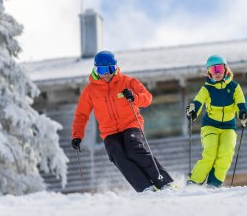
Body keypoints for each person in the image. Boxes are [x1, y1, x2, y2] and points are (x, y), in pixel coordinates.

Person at [71, 50, 176, 192]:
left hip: (130, 124)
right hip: (109, 131)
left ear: (115, 68)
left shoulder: (127, 82)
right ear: (96, 70)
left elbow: (147, 98)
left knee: (134, 149)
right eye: (102, 70)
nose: (106, 74)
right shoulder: (90, 91)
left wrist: (134, 97)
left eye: (110, 69)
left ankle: (165, 182)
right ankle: (145, 187)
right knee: (117, 155)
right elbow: (81, 114)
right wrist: (77, 135)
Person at [185, 54, 247, 187]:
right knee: (210, 152)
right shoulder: (207, 88)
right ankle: (194, 181)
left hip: (228, 127)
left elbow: (241, 104)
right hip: (210, 126)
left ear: (225, 69)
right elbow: (198, 102)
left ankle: (214, 183)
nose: (217, 73)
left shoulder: (234, 87)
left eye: (219, 68)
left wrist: (243, 115)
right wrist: (192, 112)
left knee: (226, 153)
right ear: (208, 72)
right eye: (213, 69)